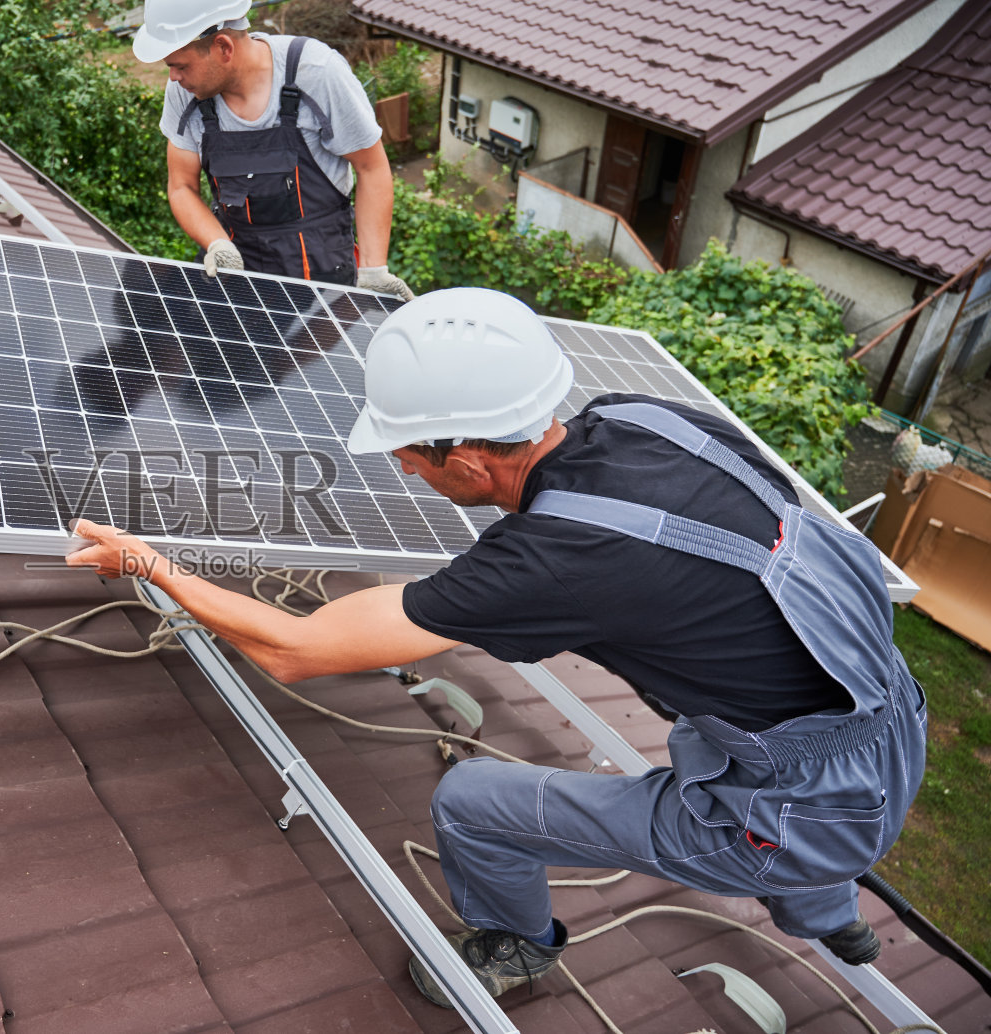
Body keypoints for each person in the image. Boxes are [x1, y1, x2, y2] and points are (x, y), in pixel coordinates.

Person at [66, 287, 927, 1001]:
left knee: (473, 802)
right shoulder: (647, 420)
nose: (403, 470)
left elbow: (295, 649)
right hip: (884, 717)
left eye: (411, 455)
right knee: (736, 751)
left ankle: (521, 944)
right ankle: (832, 911)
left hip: (797, 807)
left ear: (472, 464)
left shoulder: (556, 561)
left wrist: (151, 561)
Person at [133, 0, 414, 299]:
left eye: (181, 65)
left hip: (320, 272)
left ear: (223, 47)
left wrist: (373, 270)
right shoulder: (184, 92)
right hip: (237, 269)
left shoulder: (315, 73)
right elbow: (181, 186)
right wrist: (217, 244)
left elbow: (371, 167)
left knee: (313, 348)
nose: (173, 77)